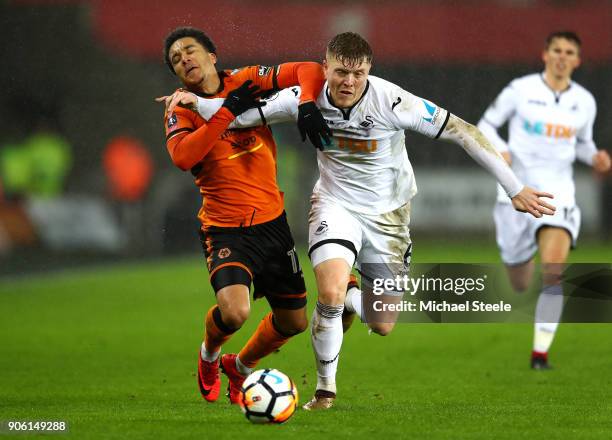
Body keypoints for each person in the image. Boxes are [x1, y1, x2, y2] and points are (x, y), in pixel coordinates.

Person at [160, 32, 555, 409]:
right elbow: (243, 119)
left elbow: (463, 132)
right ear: (326, 69)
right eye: (340, 72)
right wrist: (195, 104)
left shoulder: (394, 101)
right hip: (335, 206)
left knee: (381, 323)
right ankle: (324, 391)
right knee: (328, 296)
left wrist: (515, 188)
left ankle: (347, 295)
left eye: (358, 73)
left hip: (389, 217)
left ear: (369, 70)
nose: (349, 82)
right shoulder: (301, 99)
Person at [160, 26, 331, 405]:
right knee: (235, 313)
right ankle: (209, 355)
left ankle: (240, 366)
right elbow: (183, 157)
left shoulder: (246, 80)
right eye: (176, 59)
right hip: (225, 230)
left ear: (212, 55)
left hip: (272, 224)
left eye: (190, 50)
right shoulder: (181, 107)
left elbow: (310, 70)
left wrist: (305, 103)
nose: (184, 59)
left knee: (294, 323)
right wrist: (226, 112)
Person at [477, 31, 611, 370]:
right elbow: (485, 125)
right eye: (557, 50)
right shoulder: (520, 90)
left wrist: (594, 156)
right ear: (545, 54)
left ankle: (540, 354)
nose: (562, 56)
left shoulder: (584, 101)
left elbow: (582, 143)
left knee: (554, 272)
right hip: (516, 192)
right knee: (519, 281)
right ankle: (521, 252)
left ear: (577, 61)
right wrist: (500, 149)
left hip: (558, 194)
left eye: (569, 52)